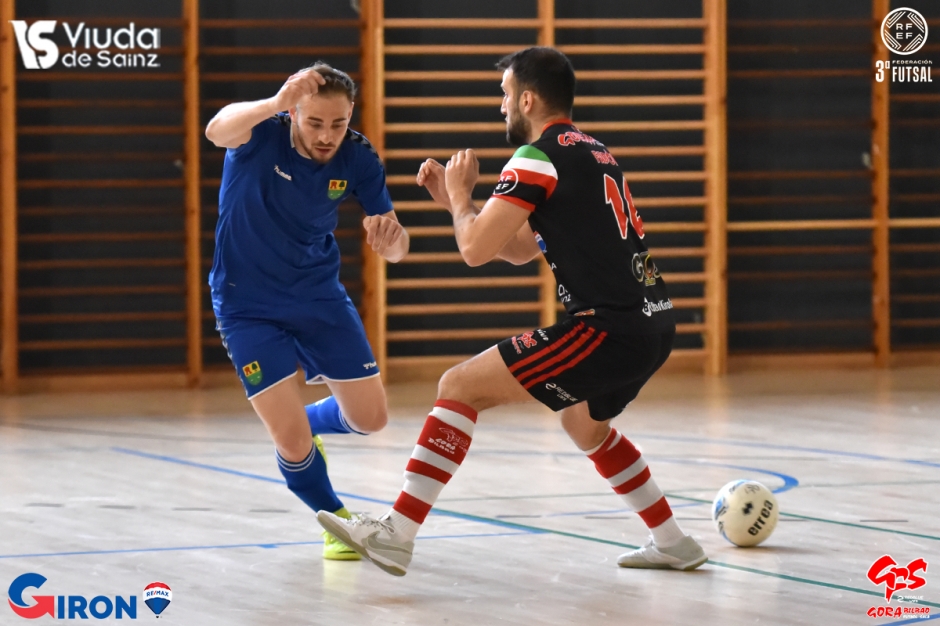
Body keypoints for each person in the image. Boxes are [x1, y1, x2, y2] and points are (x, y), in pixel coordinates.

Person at [317, 47, 706, 576]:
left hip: (607, 328)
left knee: (458, 386)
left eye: (504, 94)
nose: (501, 106)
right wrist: (452, 203)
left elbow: (474, 250)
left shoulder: (535, 156)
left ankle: (396, 533)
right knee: (584, 425)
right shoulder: (593, 151)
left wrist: (461, 198)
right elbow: (519, 247)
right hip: (654, 321)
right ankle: (674, 541)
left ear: (527, 99)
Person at [204, 62, 409, 560]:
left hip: (318, 296)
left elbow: (395, 239)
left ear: (351, 114)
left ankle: (303, 422)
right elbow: (216, 131)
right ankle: (338, 522)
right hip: (247, 306)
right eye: (315, 123)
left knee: (371, 418)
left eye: (338, 123)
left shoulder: (358, 156)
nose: (326, 136)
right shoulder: (261, 134)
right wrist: (274, 103)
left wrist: (393, 243)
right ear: (294, 113)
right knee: (292, 443)